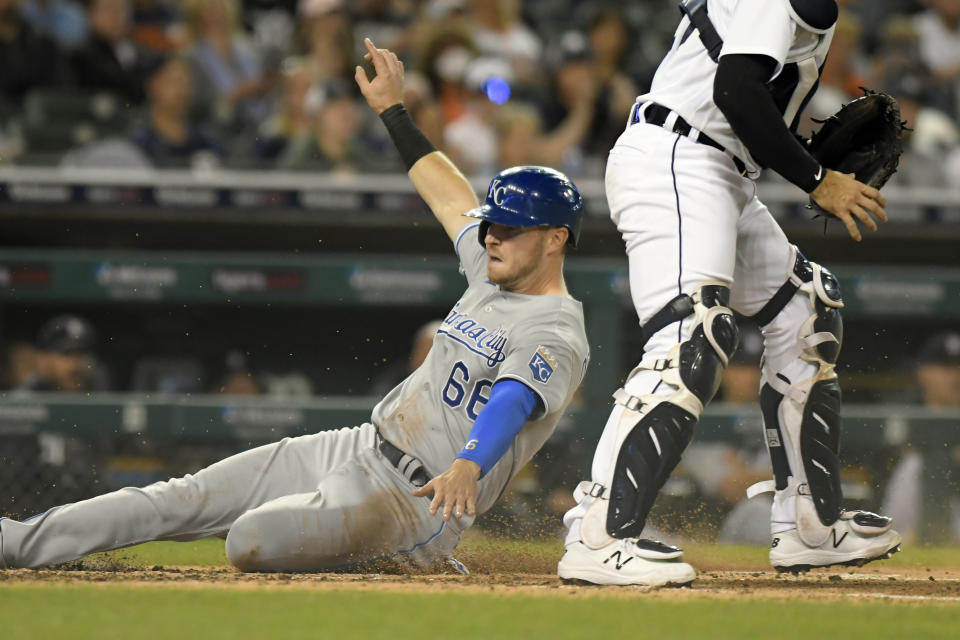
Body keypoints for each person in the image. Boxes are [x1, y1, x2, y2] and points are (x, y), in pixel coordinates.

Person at [0, 38, 589, 573]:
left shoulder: (557, 329)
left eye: (511, 228)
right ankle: (18, 542)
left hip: (418, 501)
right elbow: (447, 193)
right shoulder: (491, 269)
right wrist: (393, 110)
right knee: (182, 497)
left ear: (555, 237)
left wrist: (469, 466)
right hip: (359, 445)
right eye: (492, 225)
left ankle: (409, 561)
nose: (492, 236)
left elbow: (511, 401)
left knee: (249, 542)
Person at [558, 0, 901, 587]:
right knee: (692, 333)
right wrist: (816, 179)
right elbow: (737, 93)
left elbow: (748, 100)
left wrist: (797, 151)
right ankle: (598, 535)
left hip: (721, 170)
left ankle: (810, 528)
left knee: (805, 307)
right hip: (678, 158)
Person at [15, 314, 103, 392]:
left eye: (82, 354)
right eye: (66, 354)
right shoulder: (29, 396)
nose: (75, 365)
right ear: (45, 359)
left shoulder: (101, 391)